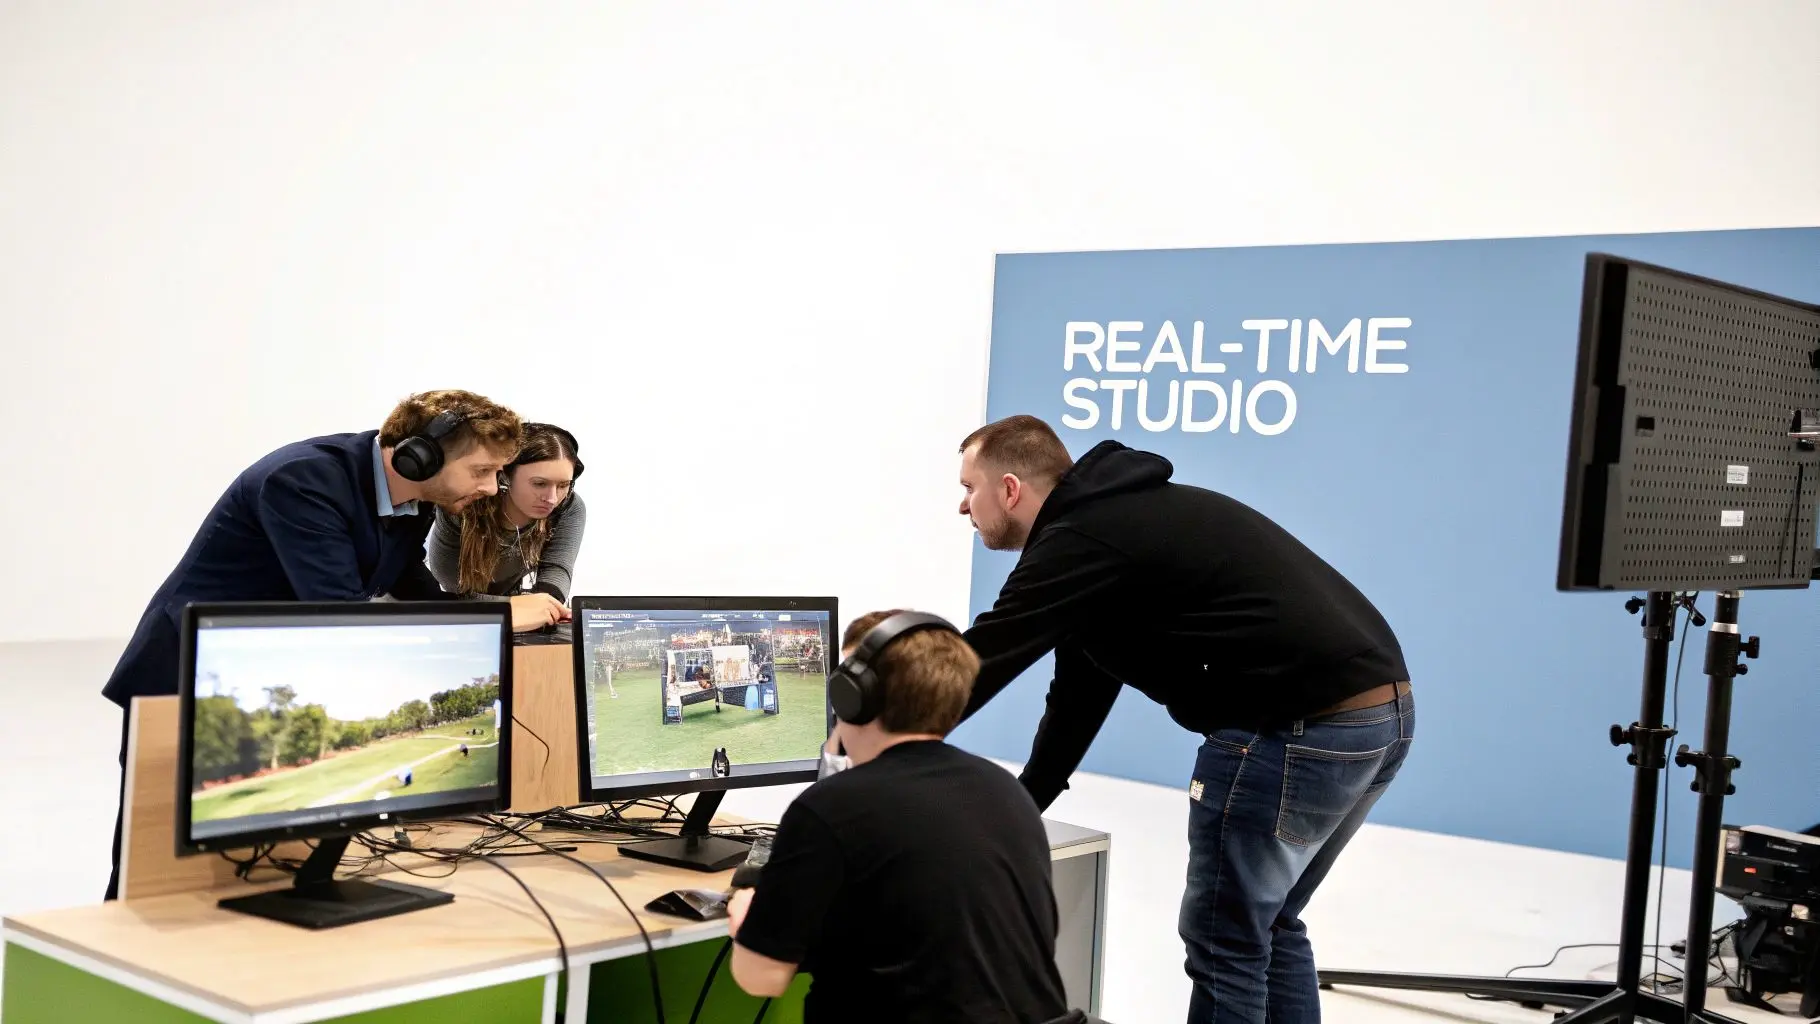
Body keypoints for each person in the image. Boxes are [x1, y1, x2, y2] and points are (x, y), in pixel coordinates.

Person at [953, 414, 1415, 1024]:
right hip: (1381, 715)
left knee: (1228, 941)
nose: (963, 508)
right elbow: (1080, 691)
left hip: (1297, 726)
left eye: (968, 488)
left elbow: (984, 654)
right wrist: (1026, 801)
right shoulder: (1111, 526)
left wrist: (873, 727)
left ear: (1009, 489)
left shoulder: (1081, 537)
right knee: (1267, 925)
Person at [99, 389, 524, 901]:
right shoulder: (302, 480)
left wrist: (493, 612)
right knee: (157, 873)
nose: (491, 486)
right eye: (482, 470)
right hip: (190, 677)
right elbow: (340, 614)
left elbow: (418, 594)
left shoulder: (416, 500)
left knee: (265, 868)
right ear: (420, 455)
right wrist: (503, 614)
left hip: (277, 673)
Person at [725, 609, 1078, 1024]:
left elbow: (762, 977)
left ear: (851, 695)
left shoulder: (830, 809)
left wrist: (747, 908)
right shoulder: (1006, 792)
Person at [424, 422, 585, 631]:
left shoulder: (569, 506)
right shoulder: (463, 503)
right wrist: (514, 607)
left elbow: (556, 570)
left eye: (563, 485)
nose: (552, 498)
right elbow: (450, 591)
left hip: (504, 615)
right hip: (439, 616)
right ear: (506, 475)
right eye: (539, 484)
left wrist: (545, 609)